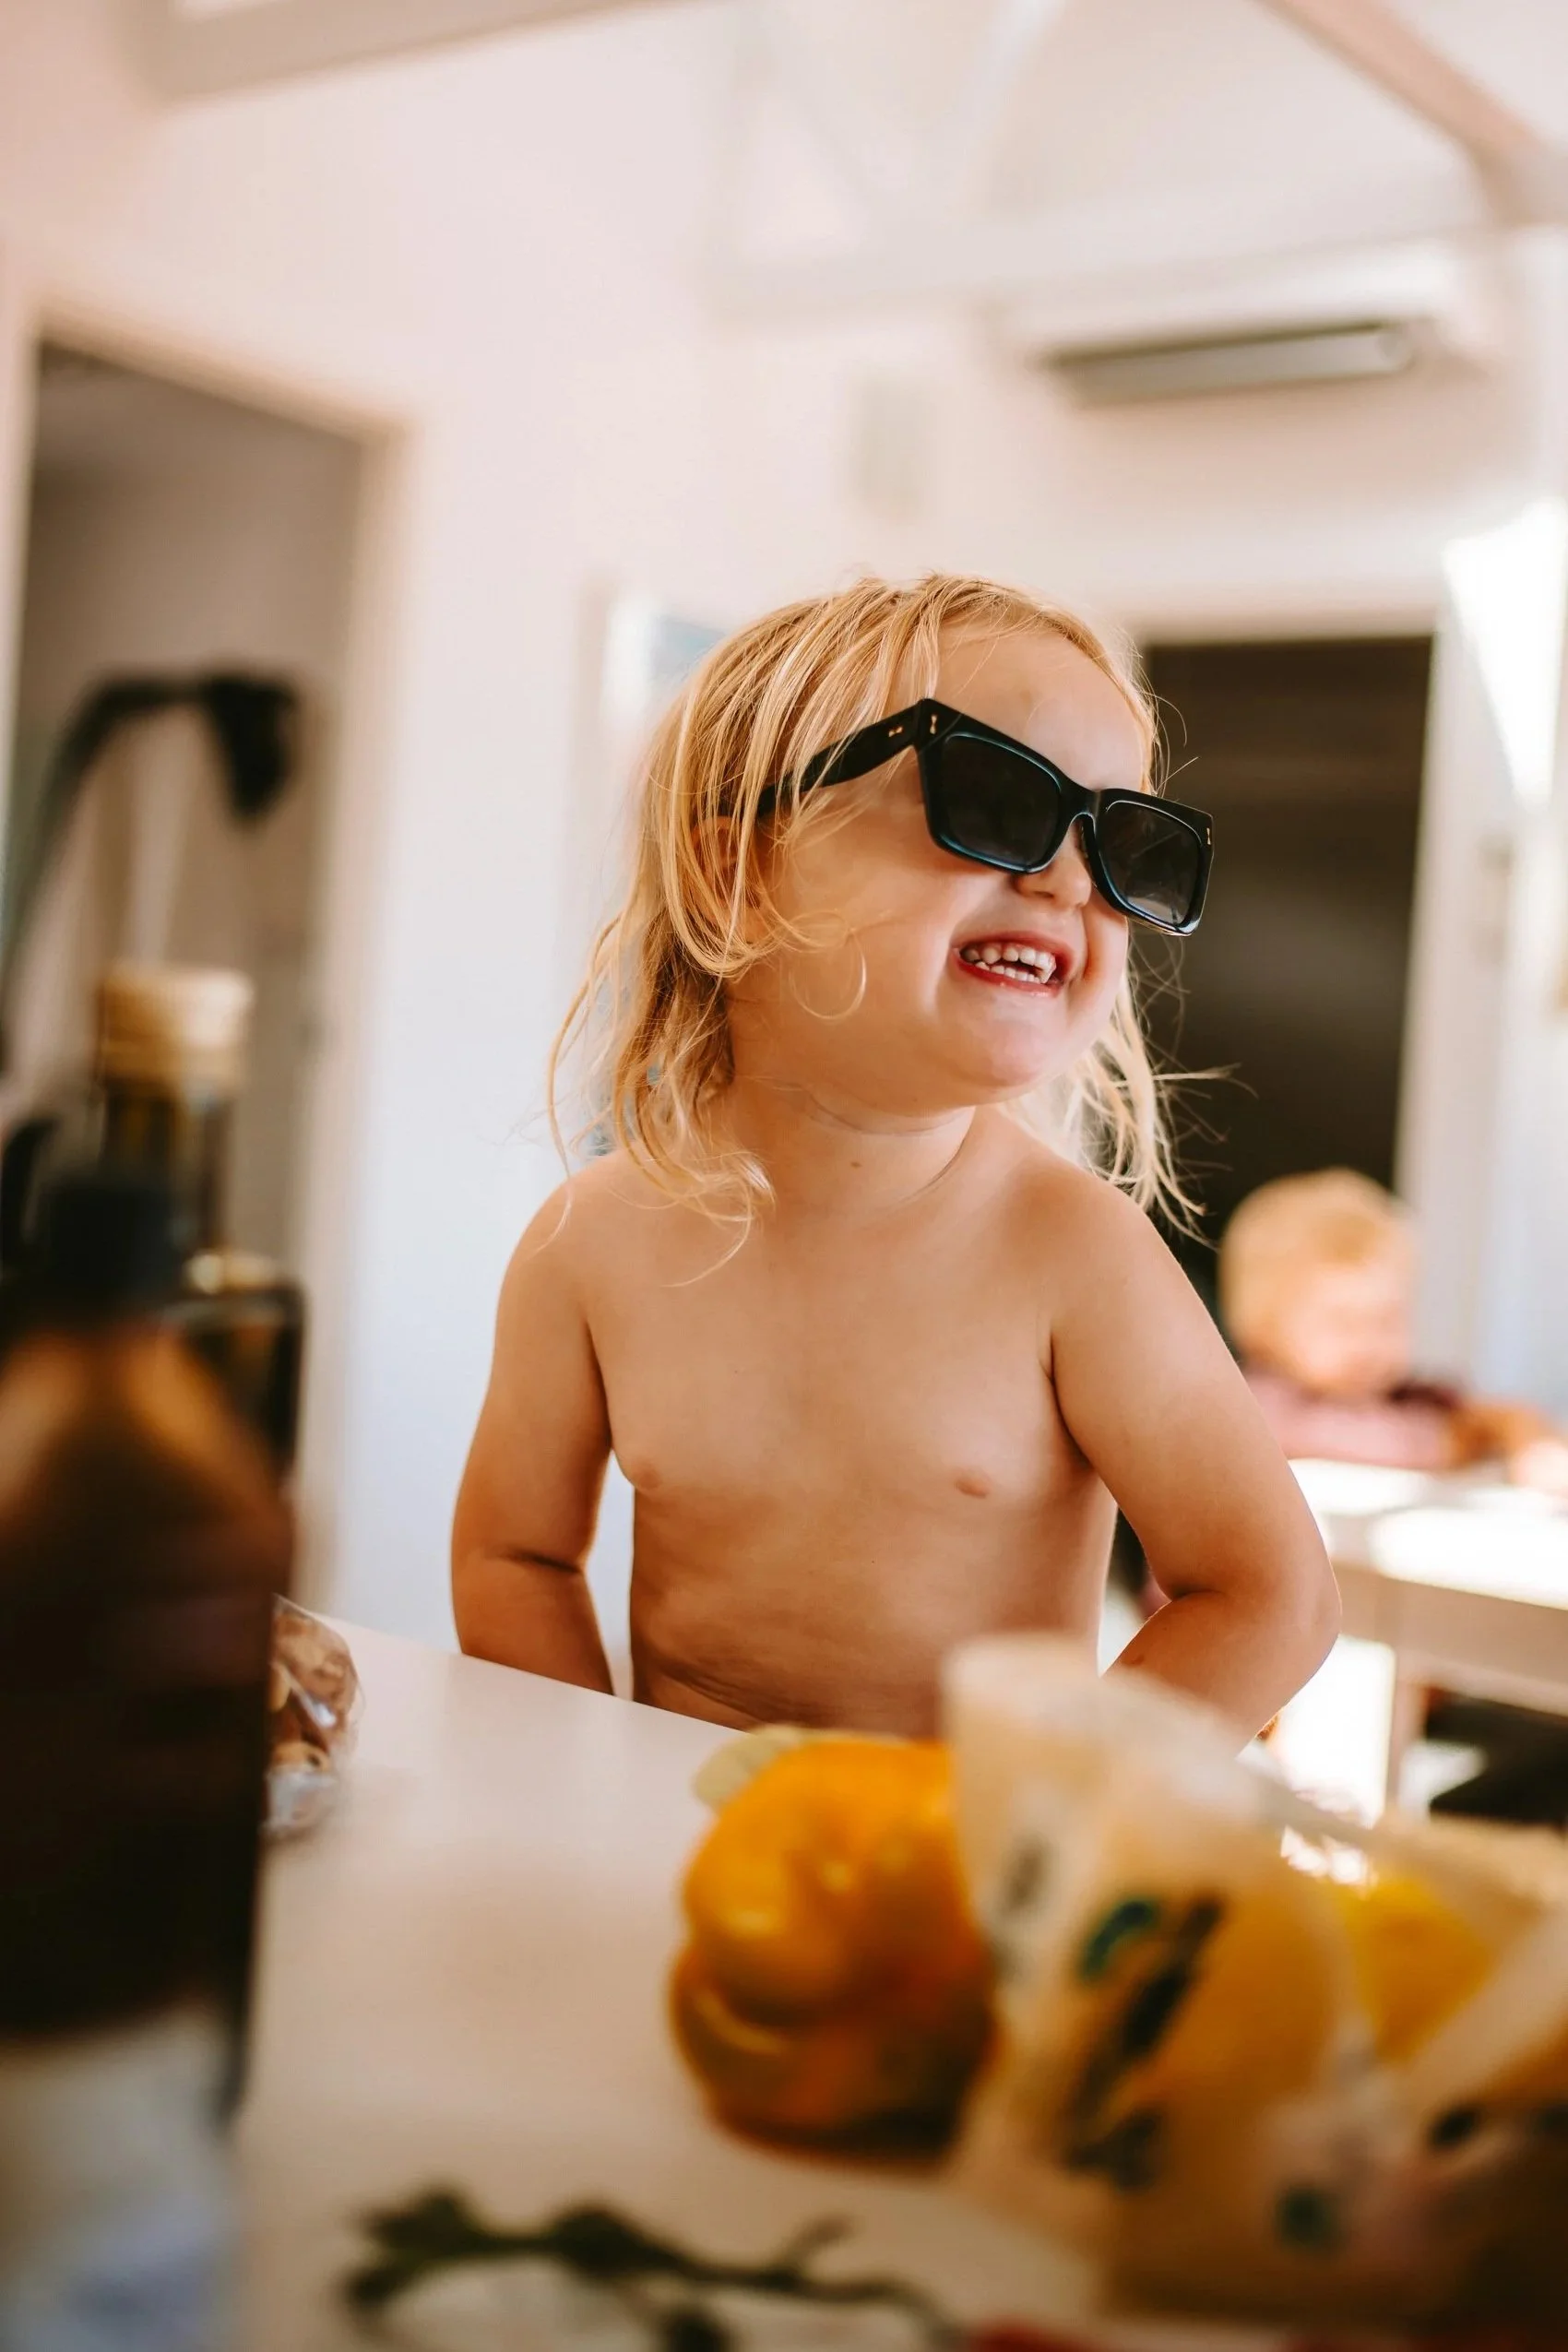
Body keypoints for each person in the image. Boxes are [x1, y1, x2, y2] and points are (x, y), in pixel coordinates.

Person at [453, 575, 1339, 1740]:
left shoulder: (1072, 1257)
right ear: (735, 877)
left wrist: (1027, 1829)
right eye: (990, 795)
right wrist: (592, 1784)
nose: (1067, 880)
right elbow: (511, 1556)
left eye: (1125, 840)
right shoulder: (589, 1247)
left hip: (954, 1894)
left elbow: (1272, 1595)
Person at [1219, 1168, 1568, 1492]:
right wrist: (1464, 1438)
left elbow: (1482, 1415)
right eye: (1344, 1323)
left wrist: (1521, 1433)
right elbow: (1343, 1440)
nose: (1369, 1344)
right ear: (1263, 1329)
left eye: (1388, 1320)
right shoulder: (1258, 1405)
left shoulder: (1411, 1396)